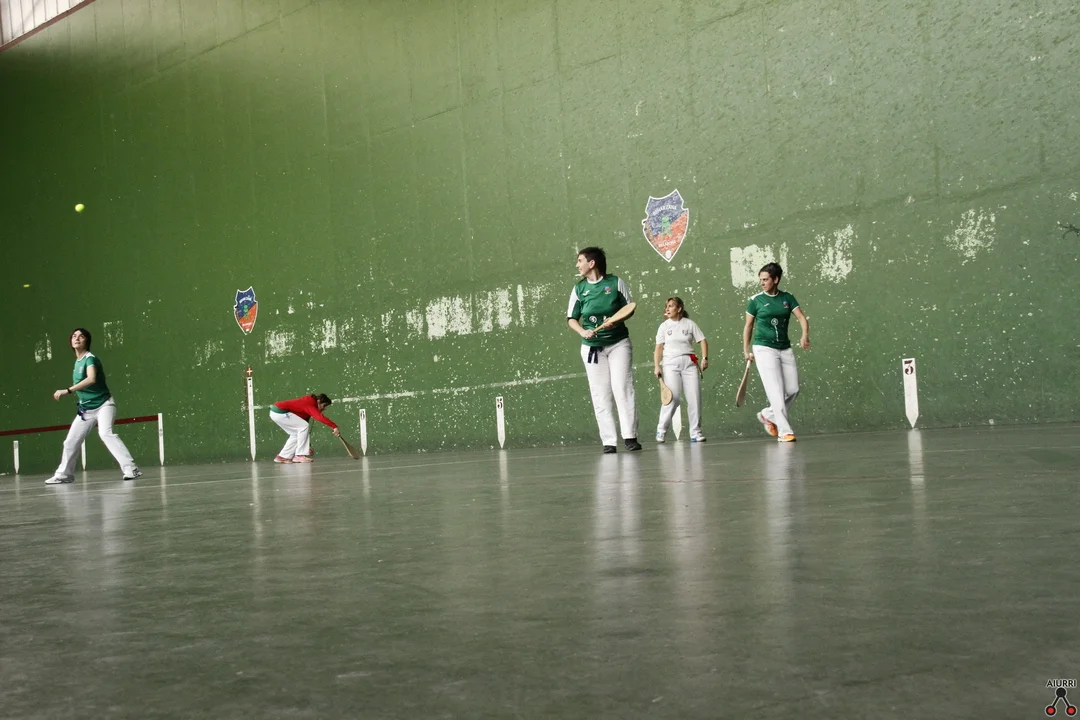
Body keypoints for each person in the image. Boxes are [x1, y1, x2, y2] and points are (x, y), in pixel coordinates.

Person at [567, 247, 641, 454]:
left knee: (622, 388)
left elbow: (628, 308)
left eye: (580, 261)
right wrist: (583, 331)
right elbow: (571, 318)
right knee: (600, 394)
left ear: (591, 263)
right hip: (592, 349)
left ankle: (630, 437)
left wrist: (615, 321)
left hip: (618, 344)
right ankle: (609, 441)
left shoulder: (615, 283)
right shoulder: (579, 289)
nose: (577, 265)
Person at [45, 328, 142, 484]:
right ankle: (64, 475)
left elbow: (91, 379)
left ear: (87, 341)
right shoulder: (77, 362)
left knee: (105, 433)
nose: (77, 338)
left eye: (81, 336)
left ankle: (131, 468)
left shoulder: (90, 359)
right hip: (86, 410)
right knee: (70, 441)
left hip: (104, 405)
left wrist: (67, 390)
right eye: (74, 336)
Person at [743, 263, 810, 442]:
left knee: (793, 389)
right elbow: (748, 326)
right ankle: (784, 432)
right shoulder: (755, 300)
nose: (762, 283)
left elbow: (801, 317)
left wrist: (804, 335)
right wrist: (746, 350)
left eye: (766, 279)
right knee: (776, 392)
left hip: (784, 347)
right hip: (763, 348)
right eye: (761, 280)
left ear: (776, 279)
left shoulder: (787, 298)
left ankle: (768, 414)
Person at [653, 297, 709, 443]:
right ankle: (661, 429)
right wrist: (657, 366)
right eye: (667, 306)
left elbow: (702, 340)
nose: (667, 309)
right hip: (671, 364)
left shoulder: (689, 324)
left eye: (671, 306)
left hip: (689, 364)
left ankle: (695, 432)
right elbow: (658, 347)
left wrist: (704, 358)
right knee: (673, 398)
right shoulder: (664, 326)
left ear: (679, 309)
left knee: (694, 398)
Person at [269, 393, 339, 463]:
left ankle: (283, 456)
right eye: (324, 405)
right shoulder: (309, 403)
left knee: (296, 433)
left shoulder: (308, 405)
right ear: (318, 401)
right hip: (280, 412)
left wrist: (308, 446)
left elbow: (303, 433)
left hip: (276, 413)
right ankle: (299, 455)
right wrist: (334, 426)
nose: (324, 408)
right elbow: (319, 417)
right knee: (303, 426)